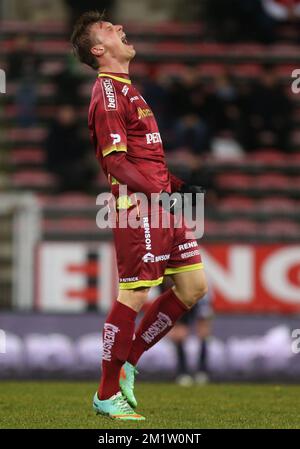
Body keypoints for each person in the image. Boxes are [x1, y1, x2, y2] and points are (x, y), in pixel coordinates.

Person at [71, 11, 208, 421]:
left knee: (192, 288)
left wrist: (179, 187)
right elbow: (117, 164)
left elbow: (145, 158)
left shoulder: (130, 91)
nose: (120, 30)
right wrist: (160, 196)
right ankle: (105, 392)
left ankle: (129, 360)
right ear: (98, 50)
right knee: (133, 292)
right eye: (110, 30)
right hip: (139, 208)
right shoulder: (107, 93)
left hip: (160, 201)